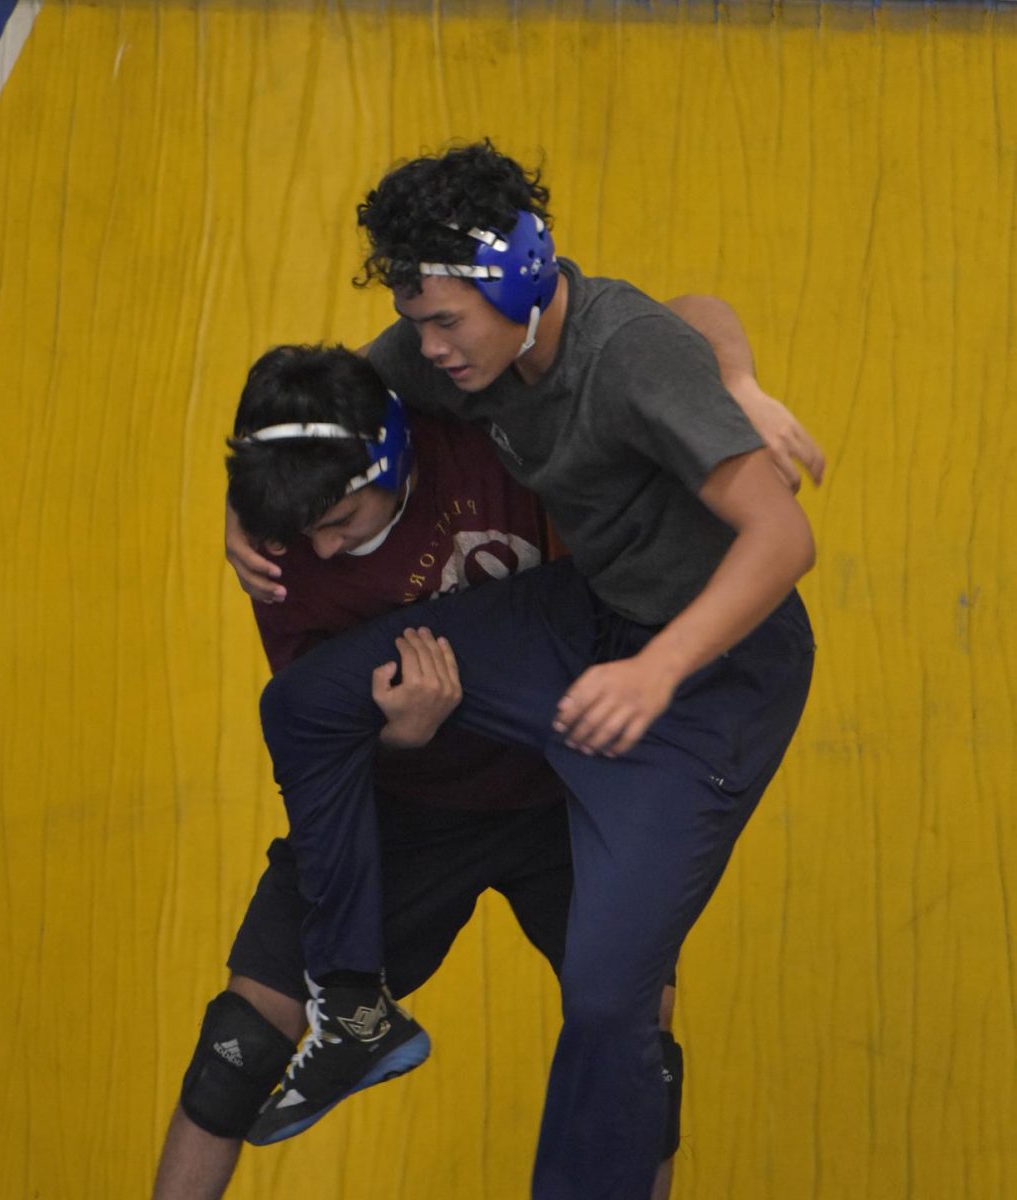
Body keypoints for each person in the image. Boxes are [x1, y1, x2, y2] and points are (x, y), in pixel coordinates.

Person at [231, 142, 818, 1199]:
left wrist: (658, 671)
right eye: (417, 320)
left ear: (514, 282)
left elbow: (780, 542)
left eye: (444, 319)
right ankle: (355, 1001)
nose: (429, 347)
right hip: (579, 616)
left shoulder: (625, 354)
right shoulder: (453, 351)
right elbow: (329, 419)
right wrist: (245, 513)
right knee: (308, 701)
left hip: (713, 672)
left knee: (606, 1001)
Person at [156, 343, 704, 1199]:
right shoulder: (282, 545)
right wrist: (397, 739)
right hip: (407, 804)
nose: (325, 549)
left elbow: (648, 335)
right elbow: (318, 735)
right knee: (236, 1048)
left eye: (340, 521)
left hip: (570, 784)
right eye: (306, 532)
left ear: (393, 456)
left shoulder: (491, 431)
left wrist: (731, 380)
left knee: (638, 1058)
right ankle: (357, 1023)